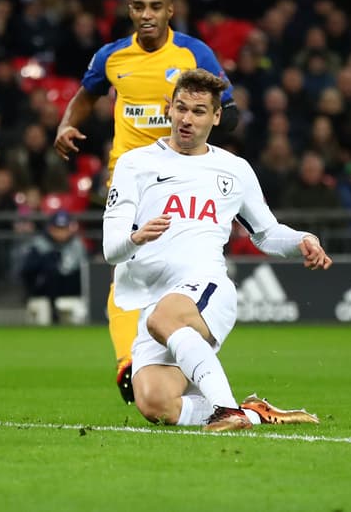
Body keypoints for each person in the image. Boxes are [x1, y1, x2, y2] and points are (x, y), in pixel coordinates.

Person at [102, 68, 331, 431]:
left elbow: (267, 233)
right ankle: (255, 412)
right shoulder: (136, 164)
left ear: (216, 116)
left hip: (205, 289)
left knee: (165, 318)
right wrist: (135, 237)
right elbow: (110, 250)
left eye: (198, 111)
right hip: (153, 300)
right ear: (168, 108)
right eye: (180, 108)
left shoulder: (233, 169)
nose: (186, 119)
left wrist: (303, 239)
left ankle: (228, 411)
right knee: (154, 402)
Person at [54, 0, 238, 404]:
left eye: (156, 7)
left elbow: (226, 107)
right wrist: (66, 124)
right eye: (139, 7)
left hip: (183, 179)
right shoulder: (113, 56)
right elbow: (85, 96)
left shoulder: (194, 54)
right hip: (129, 178)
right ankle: (128, 362)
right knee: (126, 272)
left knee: (175, 272)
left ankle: (180, 357)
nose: (147, 14)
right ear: (130, 11)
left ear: (171, 12)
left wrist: (214, 120)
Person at [18, 210, 90, 325]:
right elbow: (27, 273)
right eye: (57, 228)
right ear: (50, 228)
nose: (61, 232)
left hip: (71, 295)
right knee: (43, 316)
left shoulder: (77, 245)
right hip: (43, 296)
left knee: (80, 315)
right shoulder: (38, 245)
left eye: (64, 228)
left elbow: (85, 272)